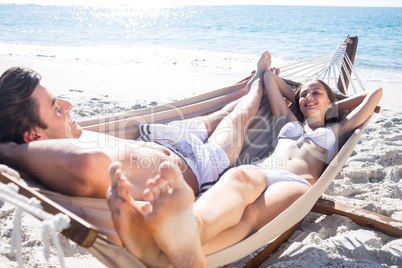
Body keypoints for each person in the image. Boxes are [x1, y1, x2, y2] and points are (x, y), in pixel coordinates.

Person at [106, 51, 383, 267]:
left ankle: (174, 251)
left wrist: (332, 106)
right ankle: (186, 230)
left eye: (316, 93)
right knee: (236, 176)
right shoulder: (286, 119)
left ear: (330, 102)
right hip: (263, 169)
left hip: (296, 182)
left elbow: (374, 95)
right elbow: (270, 81)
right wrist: (298, 96)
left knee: (250, 218)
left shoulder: (336, 127)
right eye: (305, 94)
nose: (308, 96)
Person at [0, 60, 265, 199]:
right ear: (33, 137)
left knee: (219, 114)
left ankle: (246, 89)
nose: (70, 105)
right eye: (57, 108)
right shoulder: (66, 161)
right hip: (199, 168)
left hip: (163, 138)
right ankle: (260, 84)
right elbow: (86, 164)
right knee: (240, 115)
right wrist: (9, 151)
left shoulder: (66, 134)